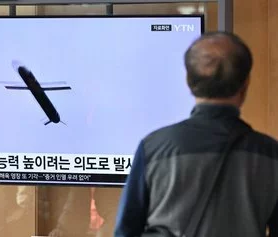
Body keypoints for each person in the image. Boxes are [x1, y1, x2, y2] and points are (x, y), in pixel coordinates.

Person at [114, 31, 278, 237]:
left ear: (189, 81)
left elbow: (126, 231)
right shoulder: (271, 155)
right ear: (245, 84)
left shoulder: (154, 148)